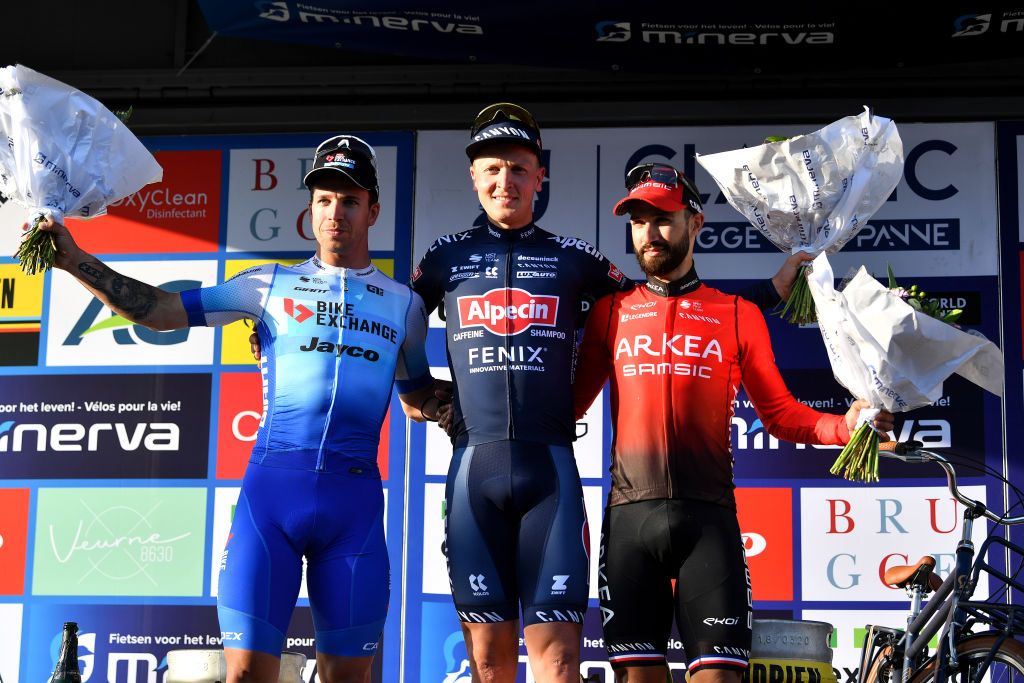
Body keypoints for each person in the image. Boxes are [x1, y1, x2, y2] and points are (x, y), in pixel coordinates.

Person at [414, 104, 802, 683]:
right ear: (473, 176)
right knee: (488, 666)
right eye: (492, 169)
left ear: (539, 176)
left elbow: (673, 298)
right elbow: (393, 323)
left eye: (519, 169)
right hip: (475, 470)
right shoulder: (443, 258)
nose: (505, 181)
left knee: (564, 661)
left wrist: (768, 294)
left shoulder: (578, 260)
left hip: (551, 472)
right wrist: (413, 388)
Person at [38, 135, 446, 683]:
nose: (335, 213)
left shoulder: (407, 305)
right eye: (324, 199)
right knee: (248, 674)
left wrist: (472, 402)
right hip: (271, 499)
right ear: (310, 208)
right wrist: (74, 260)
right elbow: (160, 311)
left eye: (349, 200)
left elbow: (416, 395)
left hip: (354, 508)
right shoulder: (266, 284)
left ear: (372, 209)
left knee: (349, 678)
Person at [572, 163, 895, 683]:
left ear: (695, 223)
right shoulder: (611, 312)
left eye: (663, 218)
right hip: (630, 523)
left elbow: (783, 415)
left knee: (721, 678)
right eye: (638, 221)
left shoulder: (737, 314)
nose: (649, 233)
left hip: (710, 526)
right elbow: (566, 408)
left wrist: (848, 425)